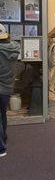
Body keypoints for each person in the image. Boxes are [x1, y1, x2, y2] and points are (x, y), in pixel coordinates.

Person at [0, 23, 20, 157]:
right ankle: (4, 137)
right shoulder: (13, 48)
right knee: (3, 115)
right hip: (7, 89)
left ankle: (1, 148)